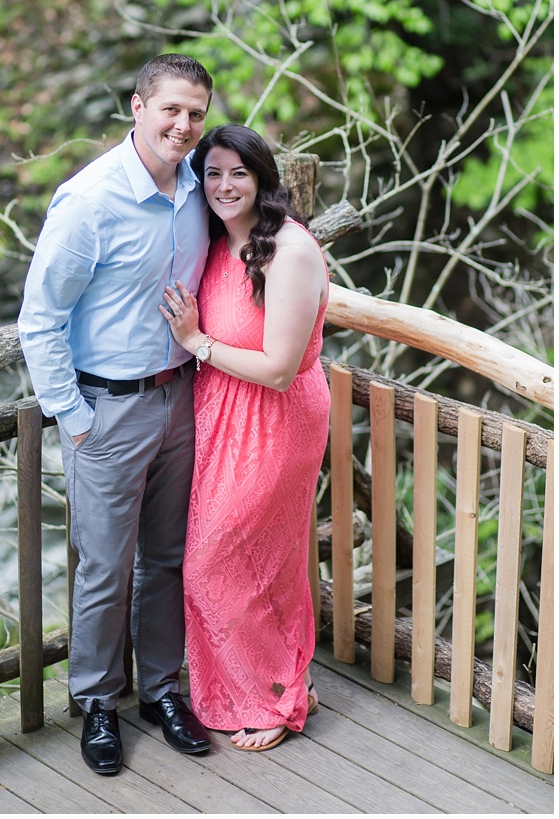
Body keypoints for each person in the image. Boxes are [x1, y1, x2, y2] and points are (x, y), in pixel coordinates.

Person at [18, 53, 215, 776]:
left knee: (165, 557)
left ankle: (163, 691)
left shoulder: (202, 188)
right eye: (170, 109)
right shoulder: (89, 200)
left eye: (195, 112)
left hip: (179, 395)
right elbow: (39, 319)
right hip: (106, 408)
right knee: (106, 565)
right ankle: (98, 703)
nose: (183, 125)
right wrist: (73, 417)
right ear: (137, 107)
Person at [160, 123, 330, 752]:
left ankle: (274, 703)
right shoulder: (214, 243)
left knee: (212, 560)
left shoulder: (289, 249)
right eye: (213, 173)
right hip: (222, 410)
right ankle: (287, 681)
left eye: (239, 173)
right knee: (264, 560)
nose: (225, 186)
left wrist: (196, 342)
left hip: (277, 418)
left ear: (262, 178)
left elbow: (282, 369)